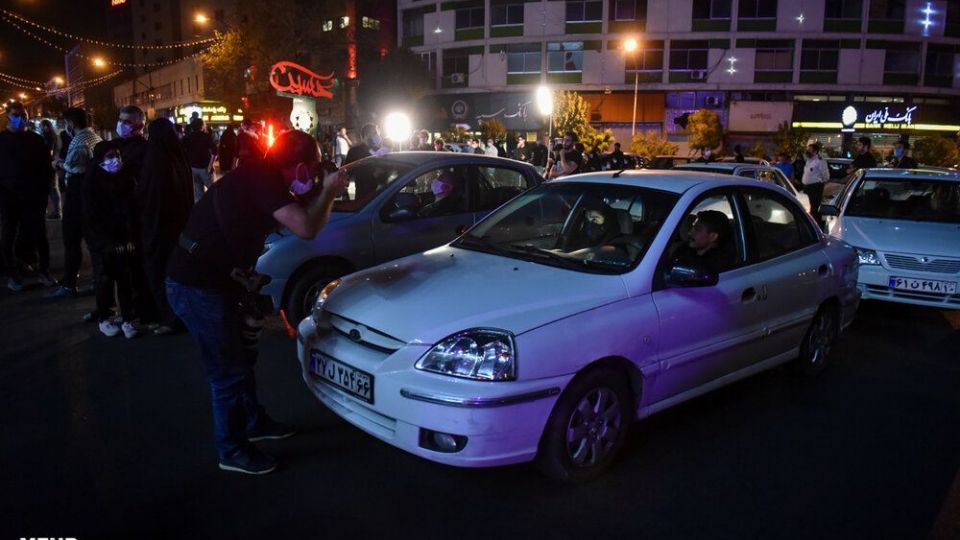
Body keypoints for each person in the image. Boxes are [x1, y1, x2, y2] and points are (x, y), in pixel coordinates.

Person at [166, 130, 349, 475]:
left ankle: (252, 422)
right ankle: (231, 449)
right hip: (196, 285)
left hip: (214, 280)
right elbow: (307, 228)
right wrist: (327, 191)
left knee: (240, 359)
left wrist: (318, 189)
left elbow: (297, 211)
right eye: (309, 168)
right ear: (298, 167)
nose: (311, 174)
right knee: (227, 370)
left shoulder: (263, 177)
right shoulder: (262, 180)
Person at [138, 118, 193, 336]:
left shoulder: (155, 159)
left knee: (159, 273)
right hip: (179, 227)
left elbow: (149, 196)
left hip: (158, 228)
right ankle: (177, 316)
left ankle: (169, 319)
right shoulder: (178, 156)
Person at [83, 141, 139, 338]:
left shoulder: (125, 178)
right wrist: (104, 241)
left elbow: (132, 209)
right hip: (102, 241)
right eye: (109, 157)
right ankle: (105, 318)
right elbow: (91, 216)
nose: (115, 160)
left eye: (117, 155)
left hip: (124, 239)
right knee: (104, 279)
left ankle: (127, 318)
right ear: (99, 159)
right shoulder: (92, 182)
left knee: (125, 279)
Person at [0, 102, 54, 291]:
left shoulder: (36, 140)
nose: (21, 118)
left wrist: (44, 191)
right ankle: (13, 274)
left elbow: (47, 168)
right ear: (8, 116)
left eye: (23, 114)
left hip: (33, 197)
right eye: (16, 115)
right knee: (8, 235)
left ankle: (44, 270)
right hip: (8, 198)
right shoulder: (2, 140)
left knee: (40, 235)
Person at [49, 107, 101, 298]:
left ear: (71, 123)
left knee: (72, 241)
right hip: (91, 197)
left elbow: (73, 168)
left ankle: (69, 283)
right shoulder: (95, 137)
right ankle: (98, 280)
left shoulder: (80, 142)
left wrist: (58, 164)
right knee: (93, 242)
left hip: (78, 197)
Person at [183, 118, 218, 202]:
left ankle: (201, 211)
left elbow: (182, 150)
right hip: (205, 168)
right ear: (202, 126)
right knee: (214, 191)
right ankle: (215, 210)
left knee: (198, 195)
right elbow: (215, 151)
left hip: (193, 169)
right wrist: (211, 165)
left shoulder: (188, 137)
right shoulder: (206, 136)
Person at [801, 142, 830, 221]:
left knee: (814, 208)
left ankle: (816, 225)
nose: (807, 151)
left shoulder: (820, 162)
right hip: (807, 187)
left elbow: (826, 175)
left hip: (815, 188)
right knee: (808, 207)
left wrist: (820, 182)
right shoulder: (808, 160)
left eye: (809, 150)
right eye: (807, 149)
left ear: (815, 151)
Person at [40, 119, 62, 220]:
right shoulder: (56, 136)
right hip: (53, 164)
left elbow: (50, 152)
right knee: (52, 188)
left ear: (45, 126)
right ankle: (56, 211)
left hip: (49, 165)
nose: (40, 128)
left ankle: (57, 212)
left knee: (52, 188)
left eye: (41, 126)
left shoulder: (49, 136)